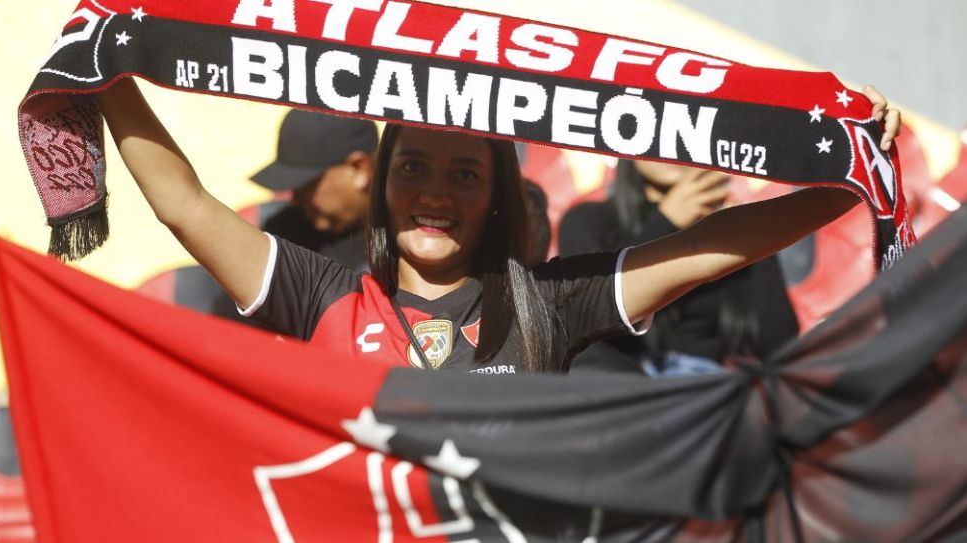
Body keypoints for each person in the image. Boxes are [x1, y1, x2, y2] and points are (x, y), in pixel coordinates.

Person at [98, 78, 900, 374]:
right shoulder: (318, 288)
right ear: (382, 188)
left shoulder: (549, 301)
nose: (436, 193)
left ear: (497, 197)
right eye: (412, 168)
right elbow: (185, 204)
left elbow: (715, 247)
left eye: (465, 174)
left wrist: (852, 173)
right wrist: (104, 74)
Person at [559, 160, 799, 376]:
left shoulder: (731, 230)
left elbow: (781, 344)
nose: (671, 151)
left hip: (707, 394)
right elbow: (591, 313)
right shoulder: (588, 221)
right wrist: (666, 221)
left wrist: (753, 240)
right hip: (620, 392)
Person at [251, 108, 378, 271]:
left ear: (359, 169)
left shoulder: (403, 245)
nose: (295, 199)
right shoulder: (282, 234)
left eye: (309, 184)